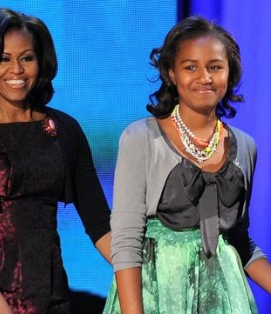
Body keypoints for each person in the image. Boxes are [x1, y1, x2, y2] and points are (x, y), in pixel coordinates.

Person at [0, 8, 112, 314]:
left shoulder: (65, 130)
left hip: (49, 296)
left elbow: (99, 223)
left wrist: (141, 277)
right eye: (3, 59)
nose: (16, 69)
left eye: (26, 58)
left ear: (40, 63)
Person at [104, 16, 271, 313]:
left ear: (229, 73)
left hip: (222, 299)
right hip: (157, 296)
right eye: (190, 67)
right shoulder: (141, 138)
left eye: (215, 67)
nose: (204, 77)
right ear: (171, 73)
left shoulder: (245, 147)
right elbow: (127, 242)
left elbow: (238, 241)